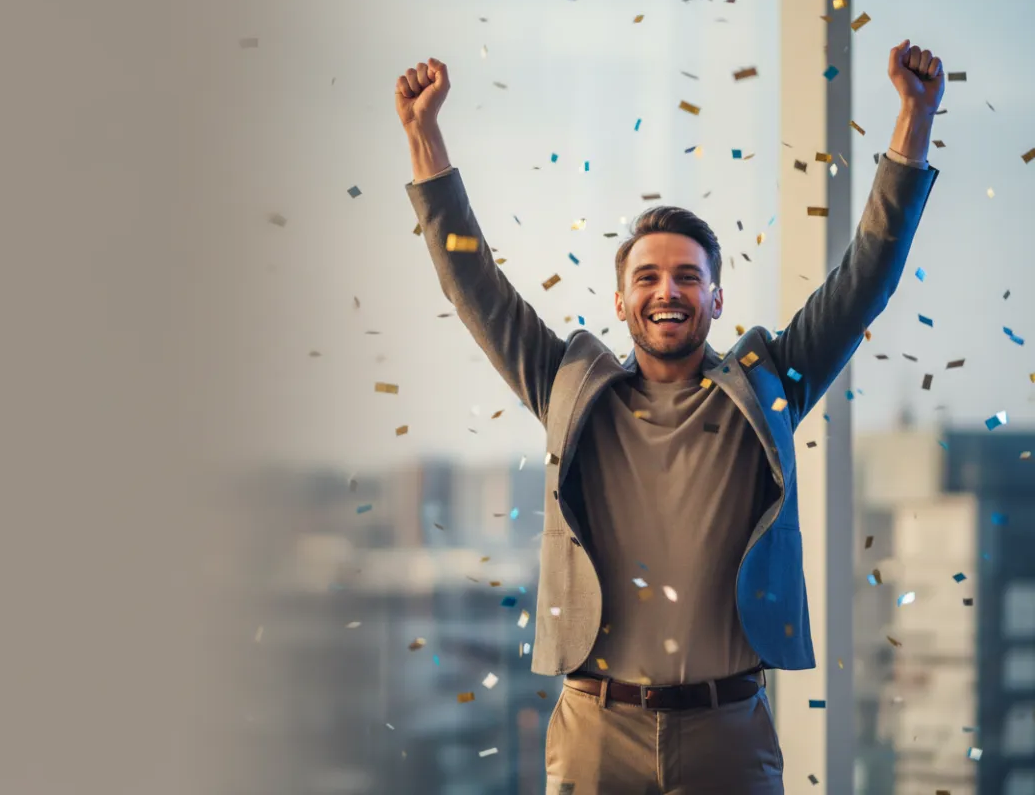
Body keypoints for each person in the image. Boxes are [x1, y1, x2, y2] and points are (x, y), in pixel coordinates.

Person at [397, 39, 942, 795]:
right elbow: (474, 287)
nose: (668, 291)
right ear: (620, 302)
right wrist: (425, 137)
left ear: (716, 298)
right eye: (647, 277)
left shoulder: (767, 388)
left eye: (689, 276)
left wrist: (914, 123)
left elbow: (863, 284)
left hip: (729, 730)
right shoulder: (569, 388)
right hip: (596, 732)